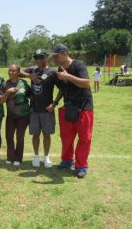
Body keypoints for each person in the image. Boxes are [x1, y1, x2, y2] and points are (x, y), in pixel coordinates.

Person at [51, 44, 94, 178]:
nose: (54, 59)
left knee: (84, 138)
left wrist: (68, 76)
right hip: (68, 108)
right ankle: (67, 160)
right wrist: (55, 102)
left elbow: (86, 83)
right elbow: (62, 89)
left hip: (83, 107)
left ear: (64, 54)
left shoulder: (79, 65)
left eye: (56, 56)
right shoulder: (60, 68)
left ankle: (81, 165)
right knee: (66, 137)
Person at [23, 49, 63, 168]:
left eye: (41, 57)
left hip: (47, 109)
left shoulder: (52, 72)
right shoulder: (33, 69)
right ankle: (36, 156)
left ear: (46, 58)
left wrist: (54, 103)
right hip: (34, 109)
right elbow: (17, 71)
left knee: (46, 134)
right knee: (35, 134)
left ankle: (46, 157)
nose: (38, 60)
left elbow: (61, 89)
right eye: (36, 58)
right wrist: (29, 75)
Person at [0, 64, 31, 167]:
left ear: (18, 72)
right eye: (10, 71)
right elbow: (1, 101)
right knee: (9, 136)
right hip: (11, 115)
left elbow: (32, 96)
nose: (11, 73)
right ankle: (10, 157)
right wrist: (8, 92)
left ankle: (18, 158)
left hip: (23, 115)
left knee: (20, 137)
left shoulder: (24, 83)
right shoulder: (5, 84)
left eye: (13, 71)